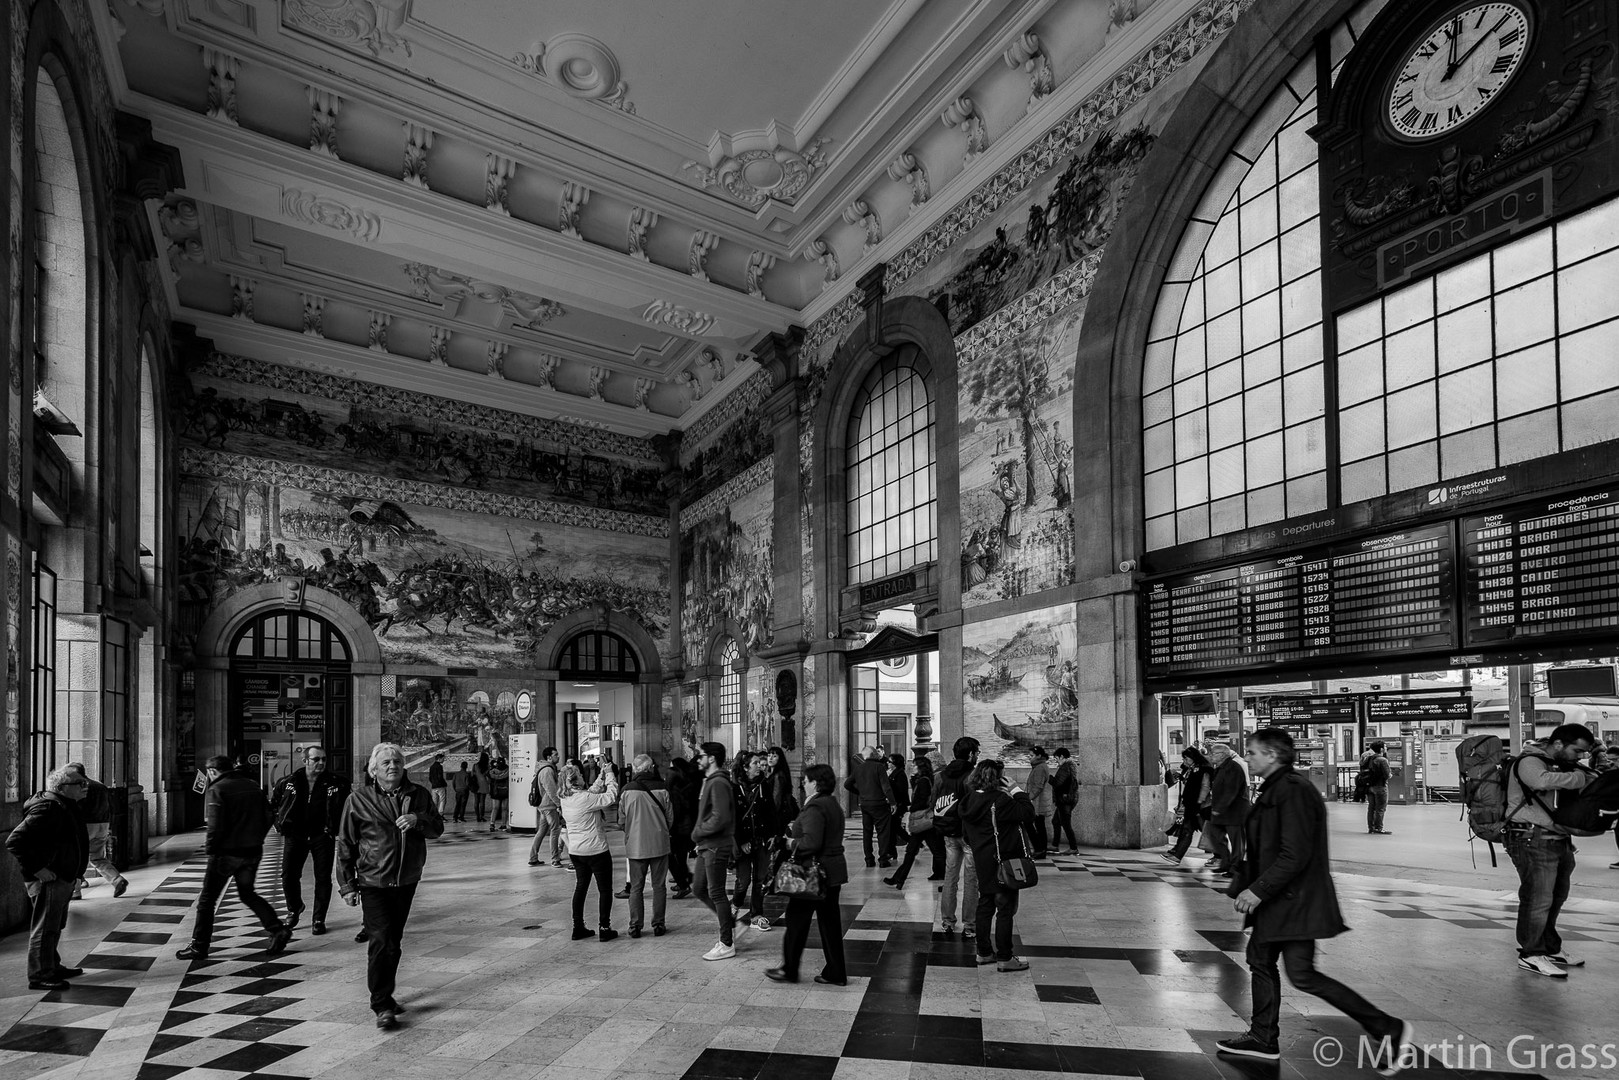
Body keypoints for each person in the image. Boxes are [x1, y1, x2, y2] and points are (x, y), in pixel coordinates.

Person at [1217, 728, 1413, 1072]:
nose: (1246, 757)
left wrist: (1257, 889)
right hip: (1283, 899)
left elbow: (1295, 854)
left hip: (1292, 899)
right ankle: (1263, 1037)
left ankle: (1387, 1027)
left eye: (1252, 752)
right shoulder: (1277, 788)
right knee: (1264, 961)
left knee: (1301, 974)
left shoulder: (1292, 791)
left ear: (1273, 755)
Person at [336, 742, 445, 1030]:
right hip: (373, 879)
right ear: (374, 770)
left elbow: (437, 828)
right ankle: (381, 1003)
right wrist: (347, 885)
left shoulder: (418, 795)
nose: (393, 766)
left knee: (393, 942)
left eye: (397, 761)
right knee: (381, 939)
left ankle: (386, 994)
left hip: (406, 878)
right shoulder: (358, 800)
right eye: (386, 762)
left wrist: (418, 819)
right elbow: (345, 843)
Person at [1503, 722, 1596, 978]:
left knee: (1556, 896)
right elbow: (1539, 781)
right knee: (1538, 897)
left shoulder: (1562, 765)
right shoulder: (1530, 761)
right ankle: (1530, 954)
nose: (1581, 757)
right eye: (1577, 751)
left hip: (1557, 838)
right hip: (1530, 838)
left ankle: (1550, 948)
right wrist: (1578, 777)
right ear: (1558, 744)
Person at [178, 755, 293, 961]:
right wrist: (256, 838)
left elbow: (214, 825)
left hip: (226, 854)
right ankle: (277, 929)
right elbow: (269, 816)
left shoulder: (218, 789)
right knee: (247, 894)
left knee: (207, 900)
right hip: (251, 851)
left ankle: (199, 946)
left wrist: (211, 850)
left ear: (213, 771)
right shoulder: (251, 785)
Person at [6, 766, 89, 989]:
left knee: (55, 925)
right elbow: (14, 842)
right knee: (45, 928)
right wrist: (38, 868)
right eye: (80, 783)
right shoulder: (48, 807)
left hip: (63, 875)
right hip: (50, 878)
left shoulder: (65, 804)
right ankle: (40, 974)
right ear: (62, 787)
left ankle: (52, 964)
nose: (85, 786)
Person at [765, 763, 849, 985]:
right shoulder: (832, 804)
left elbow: (811, 843)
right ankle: (836, 972)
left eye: (806, 780)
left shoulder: (815, 806)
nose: (803, 784)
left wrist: (787, 841)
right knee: (829, 924)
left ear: (816, 783)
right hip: (832, 872)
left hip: (812, 875)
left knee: (795, 922)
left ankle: (789, 970)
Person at [959, 758, 1035, 972]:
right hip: (1004, 860)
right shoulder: (1000, 801)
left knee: (985, 905)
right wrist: (1016, 789)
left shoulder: (968, 800)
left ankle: (983, 952)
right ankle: (1004, 957)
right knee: (1005, 908)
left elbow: (966, 835)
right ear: (998, 778)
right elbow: (1027, 813)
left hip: (982, 859)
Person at [269, 744, 350, 935]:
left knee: (322, 878)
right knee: (289, 876)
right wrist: (278, 823)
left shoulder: (337, 783)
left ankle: (318, 919)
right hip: (295, 835)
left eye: (323, 759)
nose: (321, 763)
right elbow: (273, 805)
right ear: (305, 761)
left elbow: (348, 809)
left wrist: (338, 830)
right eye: (316, 759)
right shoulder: (288, 781)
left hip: (322, 835)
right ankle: (294, 908)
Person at [559, 761, 621, 940]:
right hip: (596, 850)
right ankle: (604, 928)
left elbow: (591, 793)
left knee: (580, 888)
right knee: (604, 889)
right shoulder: (585, 799)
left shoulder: (566, 797)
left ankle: (578, 927)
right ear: (576, 780)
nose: (582, 776)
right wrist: (610, 775)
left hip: (577, 851)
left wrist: (601, 776)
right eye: (579, 775)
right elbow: (610, 796)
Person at [691, 741, 739, 960]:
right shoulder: (711, 781)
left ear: (711, 758)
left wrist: (699, 831)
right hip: (707, 844)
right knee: (699, 888)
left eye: (700, 755)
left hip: (715, 844)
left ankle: (726, 942)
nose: (697, 759)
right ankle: (730, 923)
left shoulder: (718, 782)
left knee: (716, 892)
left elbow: (721, 817)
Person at [620, 754, 673, 938]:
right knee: (659, 886)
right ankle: (658, 924)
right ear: (650, 768)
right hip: (659, 844)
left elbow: (621, 820)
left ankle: (635, 926)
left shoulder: (627, 790)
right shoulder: (663, 788)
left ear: (635, 770)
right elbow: (670, 818)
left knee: (636, 887)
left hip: (636, 846)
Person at [934, 736, 979, 936]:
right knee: (971, 880)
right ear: (970, 754)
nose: (977, 756)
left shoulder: (940, 776)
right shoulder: (973, 776)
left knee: (950, 876)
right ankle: (969, 925)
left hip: (948, 831)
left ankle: (947, 922)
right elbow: (977, 805)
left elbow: (933, 801)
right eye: (977, 752)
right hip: (968, 834)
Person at [61, 764, 127, 899]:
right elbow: (111, 806)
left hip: (84, 825)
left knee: (76, 856)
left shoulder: (78, 786)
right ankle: (116, 879)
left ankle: (76, 891)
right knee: (97, 857)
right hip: (103, 824)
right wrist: (110, 826)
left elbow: (74, 807)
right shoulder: (100, 786)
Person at [731, 752, 780, 932]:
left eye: (760, 763)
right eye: (755, 763)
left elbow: (771, 811)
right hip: (744, 841)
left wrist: (773, 834)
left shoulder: (763, 785)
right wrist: (740, 841)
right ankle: (735, 906)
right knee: (743, 880)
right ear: (745, 767)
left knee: (760, 880)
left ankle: (756, 915)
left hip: (762, 839)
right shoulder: (734, 788)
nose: (760, 766)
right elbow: (732, 817)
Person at [884, 753, 945, 888]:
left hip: (922, 822)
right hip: (922, 823)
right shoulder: (923, 779)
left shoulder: (923, 781)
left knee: (931, 852)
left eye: (914, 765)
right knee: (912, 852)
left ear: (921, 767)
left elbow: (921, 801)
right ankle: (899, 879)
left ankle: (949, 878)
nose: (912, 767)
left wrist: (910, 807)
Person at [844, 745, 896, 868]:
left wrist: (860, 792)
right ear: (874, 755)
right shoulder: (879, 767)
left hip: (865, 804)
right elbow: (886, 786)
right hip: (879, 803)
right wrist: (893, 802)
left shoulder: (858, 768)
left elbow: (847, 784)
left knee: (867, 832)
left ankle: (869, 859)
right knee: (882, 832)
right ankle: (883, 859)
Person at [1206, 742, 1249, 877]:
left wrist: (1220, 807)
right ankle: (1226, 862)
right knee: (1215, 835)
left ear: (1223, 755)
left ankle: (1235, 868)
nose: (1211, 756)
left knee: (1237, 842)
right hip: (1221, 812)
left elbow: (1231, 790)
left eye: (1213, 753)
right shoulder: (1219, 767)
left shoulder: (1233, 768)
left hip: (1234, 811)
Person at [1165, 747, 1214, 864]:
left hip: (1199, 807)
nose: (1184, 761)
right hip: (1191, 806)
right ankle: (1177, 855)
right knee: (1187, 829)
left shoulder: (1203, 769)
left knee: (1207, 832)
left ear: (1193, 758)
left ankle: (1222, 856)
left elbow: (1205, 787)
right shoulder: (1192, 769)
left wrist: (1199, 803)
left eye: (1186, 758)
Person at [527, 745, 567, 868]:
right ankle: (555, 859)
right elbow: (551, 790)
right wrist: (559, 804)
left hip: (543, 806)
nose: (558, 756)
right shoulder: (547, 770)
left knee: (542, 831)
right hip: (548, 806)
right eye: (555, 754)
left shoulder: (544, 768)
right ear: (549, 757)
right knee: (555, 830)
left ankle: (533, 858)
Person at [667, 757, 699, 898]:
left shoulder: (675, 789)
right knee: (679, 855)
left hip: (680, 828)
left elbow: (676, 812)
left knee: (671, 856)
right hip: (686, 826)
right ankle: (684, 878)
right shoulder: (687, 784)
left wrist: (670, 827)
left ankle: (683, 883)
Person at [1049, 747, 1079, 854]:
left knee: (1066, 824)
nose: (1056, 760)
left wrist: (1049, 778)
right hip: (1067, 799)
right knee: (1056, 821)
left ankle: (1073, 848)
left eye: (1056, 758)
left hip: (1064, 800)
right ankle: (1055, 845)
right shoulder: (1070, 766)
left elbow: (1057, 783)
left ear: (1062, 756)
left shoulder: (1065, 767)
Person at [1024, 747, 1052, 857]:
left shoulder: (1040, 768)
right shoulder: (1040, 766)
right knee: (1039, 826)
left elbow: (1038, 786)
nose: (1029, 758)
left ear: (1039, 756)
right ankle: (1041, 850)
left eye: (1031, 756)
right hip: (1038, 801)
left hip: (1037, 802)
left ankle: (1039, 849)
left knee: (1030, 825)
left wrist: (1028, 799)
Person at [1363, 741, 1393, 834]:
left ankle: (1371, 828)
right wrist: (1391, 774)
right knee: (1380, 808)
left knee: (1371, 808)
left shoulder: (1368, 758)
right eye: (1385, 747)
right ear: (1381, 749)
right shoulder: (1382, 760)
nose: (1386, 748)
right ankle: (1378, 828)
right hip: (1380, 786)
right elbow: (1387, 775)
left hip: (1369, 786)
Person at [885, 752, 909, 863]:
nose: (887, 763)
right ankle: (892, 852)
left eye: (890, 761)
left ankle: (913, 842)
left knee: (893, 828)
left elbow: (900, 791)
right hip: (896, 805)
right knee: (894, 828)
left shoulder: (899, 774)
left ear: (895, 763)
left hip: (898, 805)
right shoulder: (894, 773)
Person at [488, 756, 511, 832]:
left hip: (496, 792)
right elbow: (506, 776)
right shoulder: (508, 770)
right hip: (505, 791)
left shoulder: (493, 771)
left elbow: (491, 777)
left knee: (495, 808)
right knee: (504, 809)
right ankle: (504, 825)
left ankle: (492, 824)